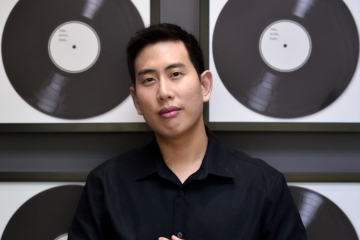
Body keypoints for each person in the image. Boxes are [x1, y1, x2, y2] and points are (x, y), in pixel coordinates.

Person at [68, 23, 306, 240]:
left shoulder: (263, 186)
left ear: (204, 86)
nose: (164, 92)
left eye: (175, 74)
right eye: (149, 80)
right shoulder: (105, 185)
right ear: (137, 101)